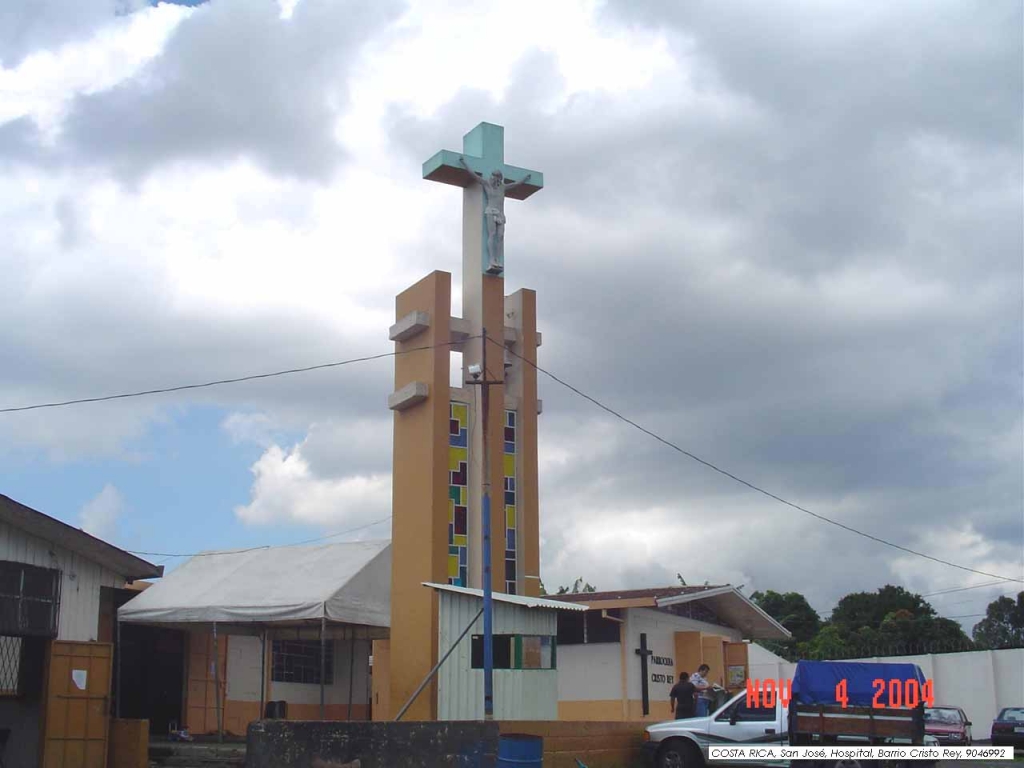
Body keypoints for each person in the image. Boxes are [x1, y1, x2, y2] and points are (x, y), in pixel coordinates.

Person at [459, 156, 532, 273]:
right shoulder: (486, 184)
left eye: (495, 177)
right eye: (492, 176)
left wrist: (525, 179)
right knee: (492, 235)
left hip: (501, 214)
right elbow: (474, 175)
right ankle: (492, 260)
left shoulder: (503, 187)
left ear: (499, 178)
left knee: (500, 236)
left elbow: (516, 184)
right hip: (491, 212)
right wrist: (464, 164)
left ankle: (497, 259)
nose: (493, 178)